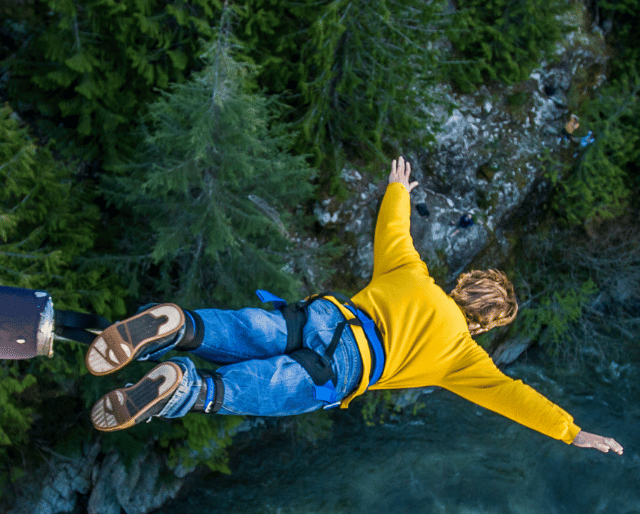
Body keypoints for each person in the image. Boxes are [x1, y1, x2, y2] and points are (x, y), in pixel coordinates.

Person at [86, 156, 623, 456]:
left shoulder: (412, 273)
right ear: (483, 325)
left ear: (462, 285)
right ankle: (184, 386)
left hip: (323, 317)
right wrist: (573, 432)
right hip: (343, 369)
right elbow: (514, 398)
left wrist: (399, 189)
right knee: (244, 390)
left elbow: (393, 230)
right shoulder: (463, 358)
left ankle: (178, 324)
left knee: (247, 329)